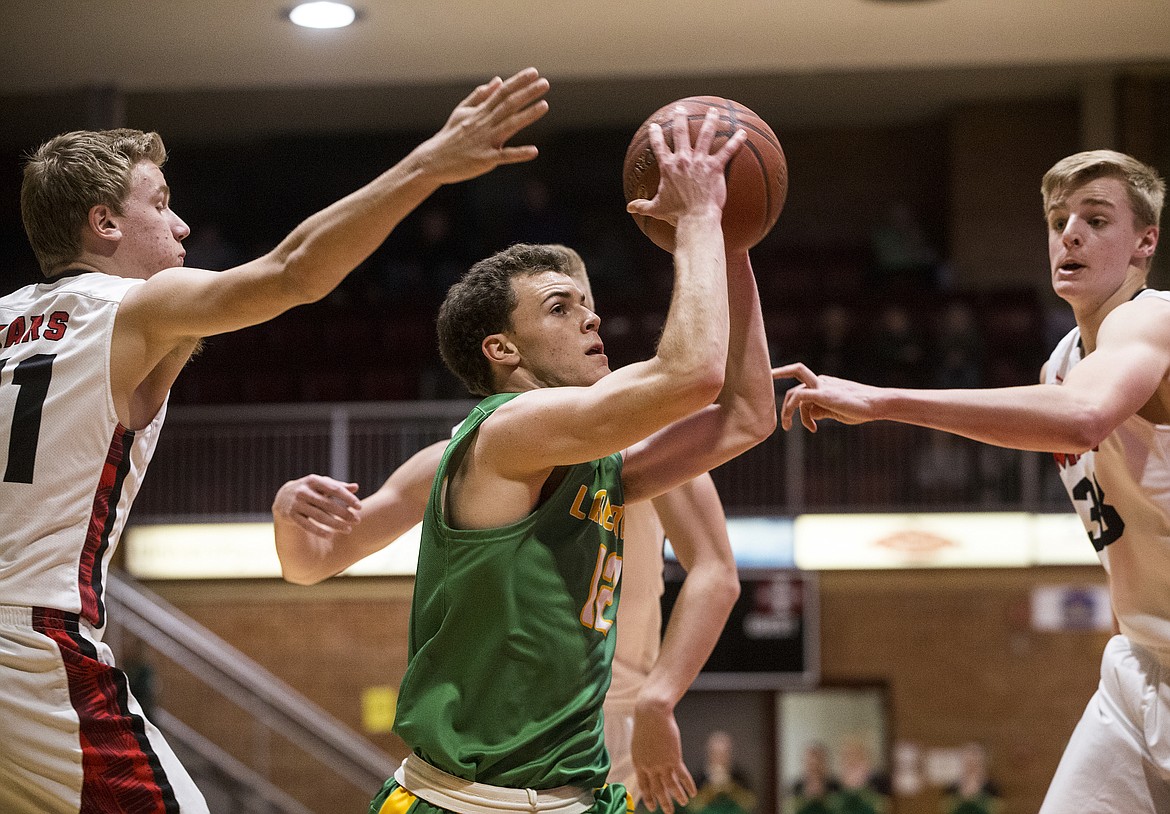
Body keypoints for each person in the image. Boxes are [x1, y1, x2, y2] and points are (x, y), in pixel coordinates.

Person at [0, 67, 550, 814]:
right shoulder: (132, 306)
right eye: (160, 204)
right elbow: (293, 271)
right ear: (104, 224)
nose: (183, 225)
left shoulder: (6, 317)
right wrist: (432, 163)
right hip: (32, 640)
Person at [278, 106, 775, 814]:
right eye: (560, 307)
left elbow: (746, 415)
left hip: (579, 794)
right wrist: (697, 221)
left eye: (589, 303)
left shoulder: (601, 455)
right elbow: (307, 562)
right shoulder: (506, 434)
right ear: (503, 350)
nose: (591, 318)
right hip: (463, 802)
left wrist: (731, 241)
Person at [774, 149, 1167, 812]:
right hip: (1141, 662)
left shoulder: (1150, 317)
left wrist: (883, 401)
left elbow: (1082, 418)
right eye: (1058, 218)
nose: (1069, 232)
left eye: (1096, 219)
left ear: (1145, 242)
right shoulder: (1062, 362)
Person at [689, 730, 757, 814]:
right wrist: (710, 790)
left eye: (724, 753)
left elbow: (750, 803)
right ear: (709, 753)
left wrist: (731, 787)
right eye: (716, 753)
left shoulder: (740, 777)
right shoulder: (699, 778)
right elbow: (692, 807)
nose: (720, 757)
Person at [788, 742, 840, 814]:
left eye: (818, 762)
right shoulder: (794, 789)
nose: (814, 767)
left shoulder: (837, 787)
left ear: (825, 763)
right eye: (811, 763)